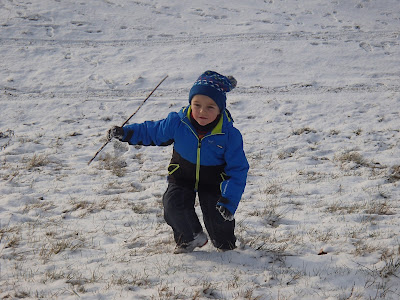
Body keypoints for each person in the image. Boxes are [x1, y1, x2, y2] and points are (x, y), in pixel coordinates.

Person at [108, 70, 249, 254]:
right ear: (190, 103)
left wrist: (229, 201)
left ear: (220, 109)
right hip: (183, 175)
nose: (201, 112)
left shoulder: (229, 135)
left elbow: (238, 169)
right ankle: (189, 238)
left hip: (214, 181)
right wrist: (126, 133)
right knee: (172, 204)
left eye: (210, 107)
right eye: (197, 104)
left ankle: (226, 245)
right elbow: (153, 131)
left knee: (218, 216)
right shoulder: (178, 122)